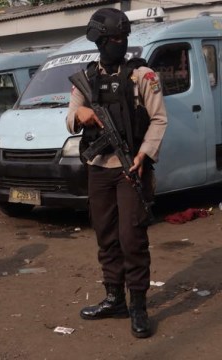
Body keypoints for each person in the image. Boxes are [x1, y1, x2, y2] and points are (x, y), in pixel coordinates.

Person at [66, 8, 167, 339]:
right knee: (106, 235)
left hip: (130, 168)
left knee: (131, 237)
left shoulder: (142, 75)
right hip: (99, 169)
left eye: (123, 38)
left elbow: (158, 119)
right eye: (113, 39)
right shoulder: (86, 77)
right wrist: (80, 114)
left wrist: (142, 154)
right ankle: (114, 299)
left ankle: (138, 304)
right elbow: (70, 116)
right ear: (99, 40)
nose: (119, 44)